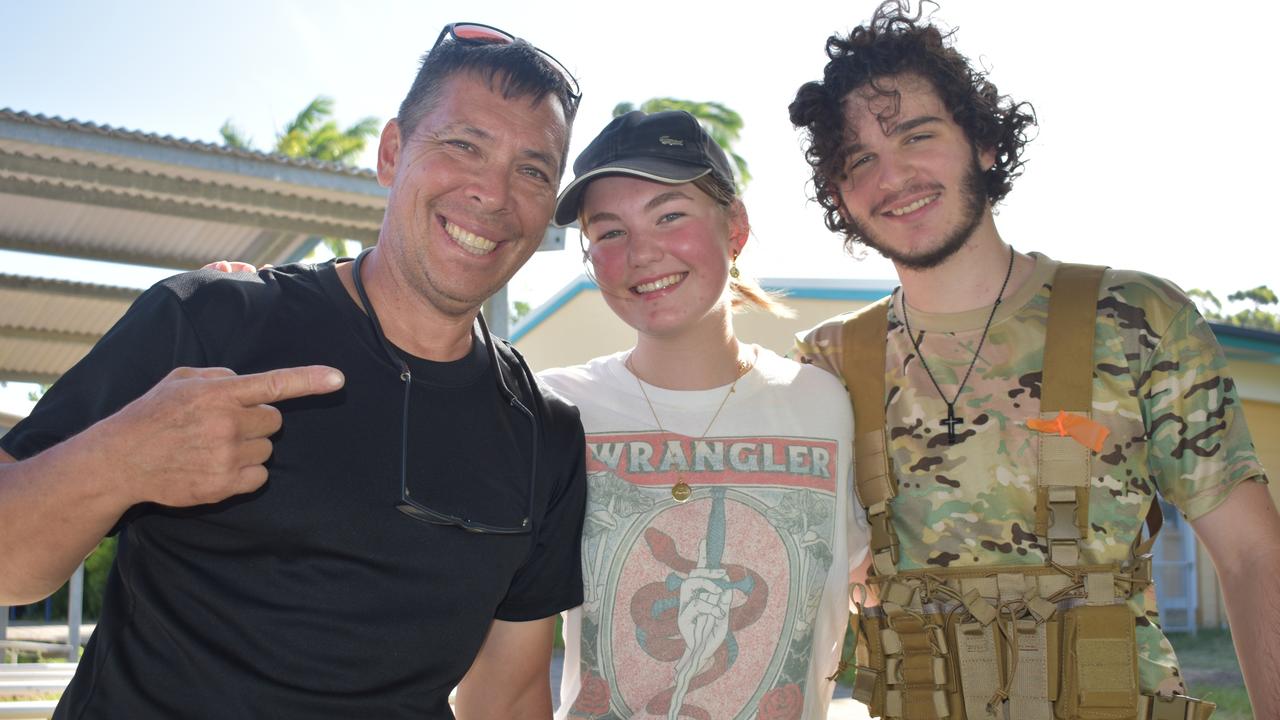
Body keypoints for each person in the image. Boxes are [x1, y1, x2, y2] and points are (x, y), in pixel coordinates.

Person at [0, 23, 587, 719]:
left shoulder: (543, 431)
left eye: (532, 170)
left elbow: (512, 691)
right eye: (464, 145)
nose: (493, 193)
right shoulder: (215, 320)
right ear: (393, 152)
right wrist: (119, 460)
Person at [789, 2, 1279, 718]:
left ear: (984, 143)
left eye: (916, 135)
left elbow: (1251, 555)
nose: (892, 175)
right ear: (840, 195)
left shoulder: (1136, 319)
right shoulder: (827, 362)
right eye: (858, 160)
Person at [540, 110, 870, 719]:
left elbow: (880, 585)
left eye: (670, 216)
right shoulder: (551, 408)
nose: (642, 253)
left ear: (735, 229)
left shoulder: (827, 404)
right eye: (609, 233)